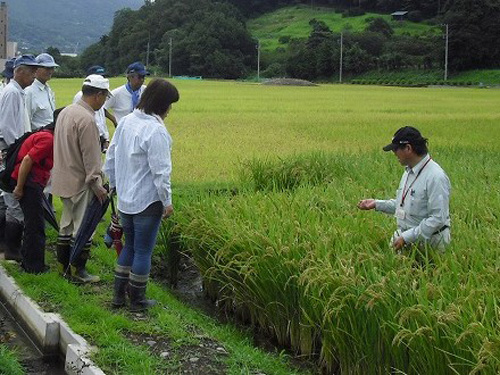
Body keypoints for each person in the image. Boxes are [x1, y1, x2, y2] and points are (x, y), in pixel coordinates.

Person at [104, 78, 179, 312]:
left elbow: (111, 158)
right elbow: (161, 172)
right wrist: (167, 201)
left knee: (129, 247)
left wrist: (115, 186)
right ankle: (137, 300)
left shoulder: (126, 121)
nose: (169, 111)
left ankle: (118, 297)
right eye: (169, 105)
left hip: (126, 199)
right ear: (161, 104)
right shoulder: (155, 130)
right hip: (148, 200)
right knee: (143, 250)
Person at [51, 75, 110, 283]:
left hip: (61, 177)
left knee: (65, 225)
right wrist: (98, 185)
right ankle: (78, 271)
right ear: (97, 95)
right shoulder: (87, 120)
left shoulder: (66, 111)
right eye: (104, 97)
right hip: (81, 182)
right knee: (83, 228)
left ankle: (62, 268)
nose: (104, 102)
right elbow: (91, 158)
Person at [358, 126, 451, 251]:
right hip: (406, 240)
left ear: (408, 148)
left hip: (431, 244)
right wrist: (376, 204)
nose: (394, 153)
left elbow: (438, 218)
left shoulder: (435, 177)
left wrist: (406, 237)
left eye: (396, 149)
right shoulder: (408, 172)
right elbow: (403, 206)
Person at [0, 55, 40, 261]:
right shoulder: (12, 93)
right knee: (13, 199)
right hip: (11, 152)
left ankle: (9, 247)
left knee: (11, 199)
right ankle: (11, 249)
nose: (34, 76)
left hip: (14, 151)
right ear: (19, 72)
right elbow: (7, 127)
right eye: (31, 71)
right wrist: (18, 151)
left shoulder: (18, 92)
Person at [12, 121, 56, 273]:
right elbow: (27, 160)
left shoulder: (46, 135)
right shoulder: (48, 139)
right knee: (35, 226)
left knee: (33, 223)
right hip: (29, 183)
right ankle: (34, 267)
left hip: (32, 182)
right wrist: (19, 187)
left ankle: (27, 262)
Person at [73, 66, 117, 152]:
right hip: (90, 138)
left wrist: (106, 137)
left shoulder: (99, 97)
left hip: (99, 139)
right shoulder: (81, 96)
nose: (102, 79)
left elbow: (100, 116)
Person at [25, 53, 59, 131]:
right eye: (47, 68)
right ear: (36, 69)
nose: (50, 71)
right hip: (37, 137)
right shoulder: (30, 91)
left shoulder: (48, 89)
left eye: (52, 68)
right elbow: (26, 121)